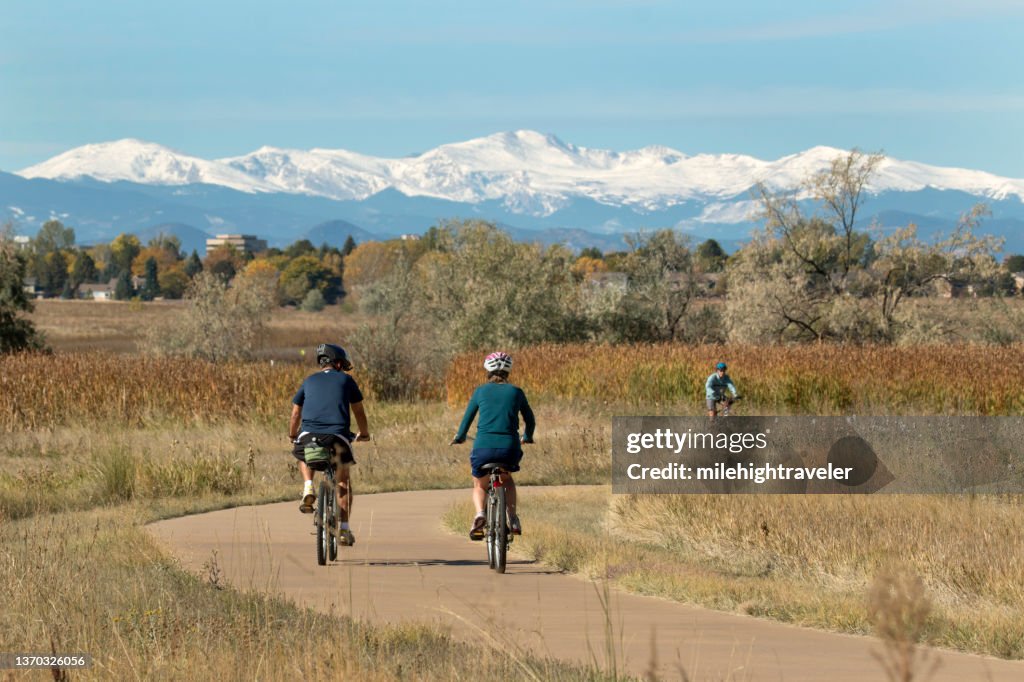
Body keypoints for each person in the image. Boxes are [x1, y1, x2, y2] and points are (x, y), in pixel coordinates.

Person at [289, 343, 370, 546]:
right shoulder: (346, 380)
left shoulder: (309, 380)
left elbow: (296, 413)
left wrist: (292, 435)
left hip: (309, 435)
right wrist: (365, 433)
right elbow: (359, 411)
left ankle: (308, 486)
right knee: (343, 483)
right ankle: (343, 529)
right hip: (338, 437)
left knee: (303, 453)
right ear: (339, 363)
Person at [450, 351, 535, 540]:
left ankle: (480, 513)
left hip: (483, 449)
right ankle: (512, 518)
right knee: (506, 480)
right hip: (509, 448)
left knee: (480, 484)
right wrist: (527, 436)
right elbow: (530, 420)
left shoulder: (480, 391)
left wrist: (460, 436)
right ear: (509, 371)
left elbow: (467, 420)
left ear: (487, 370)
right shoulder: (516, 392)